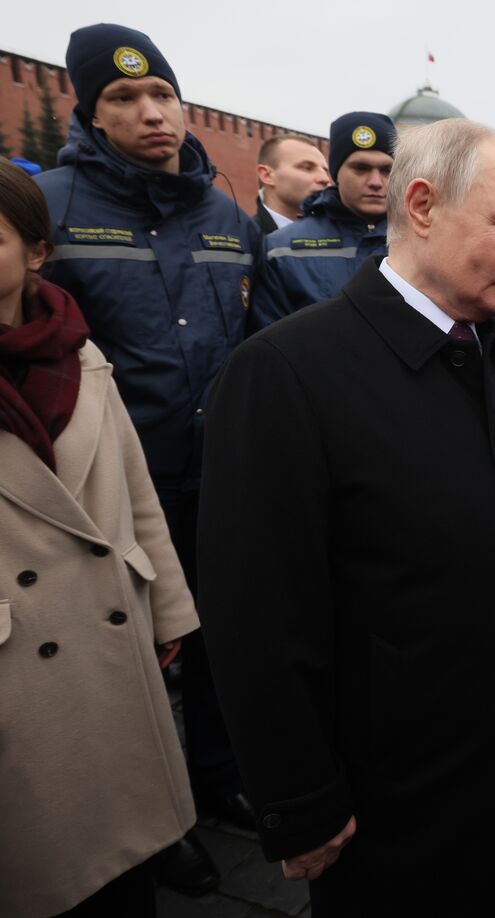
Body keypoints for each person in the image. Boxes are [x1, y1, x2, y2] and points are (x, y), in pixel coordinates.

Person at [197, 119, 495, 916]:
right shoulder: (285, 373)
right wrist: (298, 798)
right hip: (397, 807)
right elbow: (258, 617)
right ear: (421, 206)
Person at [33, 22, 259, 894]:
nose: (152, 112)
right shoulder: (50, 207)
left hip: (219, 472)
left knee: (217, 639)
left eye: (163, 93)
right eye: (124, 98)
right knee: (126, 659)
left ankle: (218, 779)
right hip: (107, 489)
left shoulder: (224, 214)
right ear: (90, 113)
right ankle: (151, 825)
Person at [0, 160, 199, 918]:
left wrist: (169, 606)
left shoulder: (79, 350)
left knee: (125, 864)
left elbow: (133, 485)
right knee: (45, 864)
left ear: (36, 251)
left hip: (109, 627)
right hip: (17, 656)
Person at [250, 112, 395, 330]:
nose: (376, 182)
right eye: (360, 168)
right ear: (336, 174)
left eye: (386, 170)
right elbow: (268, 340)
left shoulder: (423, 241)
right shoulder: (281, 249)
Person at [253, 134, 331, 233]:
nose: (325, 179)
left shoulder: (339, 235)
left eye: (326, 172)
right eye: (307, 168)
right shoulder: (245, 238)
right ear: (267, 175)